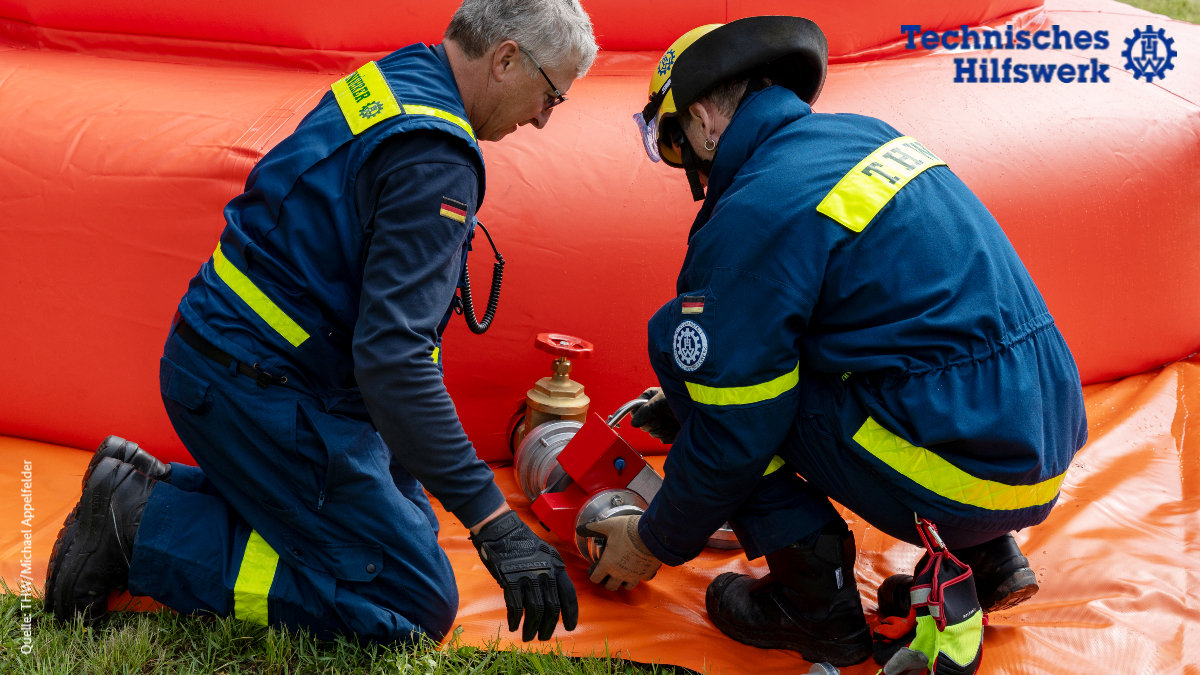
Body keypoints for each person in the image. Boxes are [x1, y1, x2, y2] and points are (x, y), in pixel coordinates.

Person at [46, 0, 596, 645]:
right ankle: (141, 530)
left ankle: (148, 488)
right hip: (260, 388)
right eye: (549, 94)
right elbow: (394, 360)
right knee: (413, 602)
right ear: (506, 58)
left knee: (404, 529)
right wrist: (492, 519)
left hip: (231, 357)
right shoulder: (435, 162)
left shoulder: (398, 78)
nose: (541, 118)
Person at [583, 17, 1087, 668]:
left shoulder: (756, 209)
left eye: (676, 144)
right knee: (776, 361)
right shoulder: (865, 136)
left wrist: (652, 539)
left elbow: (734, 435)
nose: (689, 170)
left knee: (692, 350)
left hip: (965, 478)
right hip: (1034, 441)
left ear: (705, 119)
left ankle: (813, 604)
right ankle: (989, 558)